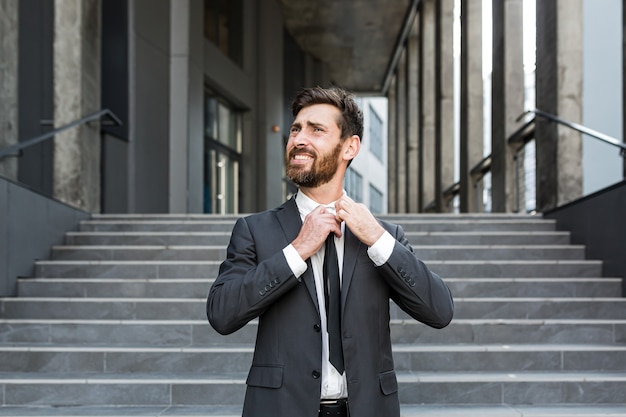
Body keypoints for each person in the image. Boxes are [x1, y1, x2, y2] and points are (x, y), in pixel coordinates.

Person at [207, 86, 454, 417]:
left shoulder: (383, 236)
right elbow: (222, 313)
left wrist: (378, 240)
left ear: (349, 147)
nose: (298, 139)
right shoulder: (255, 231)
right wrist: (297, 250)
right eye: (295, 129)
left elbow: (439, 311)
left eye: (316, 129)